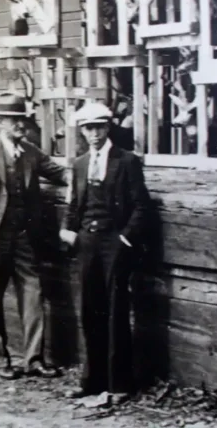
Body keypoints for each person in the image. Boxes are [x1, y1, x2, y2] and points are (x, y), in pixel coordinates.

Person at [0, 91, 69, 380]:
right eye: (14, 120)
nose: (21, 125)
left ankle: (34, 359)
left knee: (33, 295)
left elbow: (60, 173)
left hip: (24, 239)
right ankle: (1, 360)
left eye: (23, 119)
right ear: (0, 121)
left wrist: (92, 175)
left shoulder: (31, 152)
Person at [59, 102, 151, 404]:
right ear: (82, 131)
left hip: (115, 243)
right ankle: (92, 379)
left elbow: (141, 205)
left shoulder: (126, 161)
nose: (94, 133)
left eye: (99, 127)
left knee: (115, 311)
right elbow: (75, 204)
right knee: (89, 309)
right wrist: (69, 230)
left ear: (107, 128)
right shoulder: (81, 162)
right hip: (88, 243)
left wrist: (125, 239)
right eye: (88, 128)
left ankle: (119, 383)